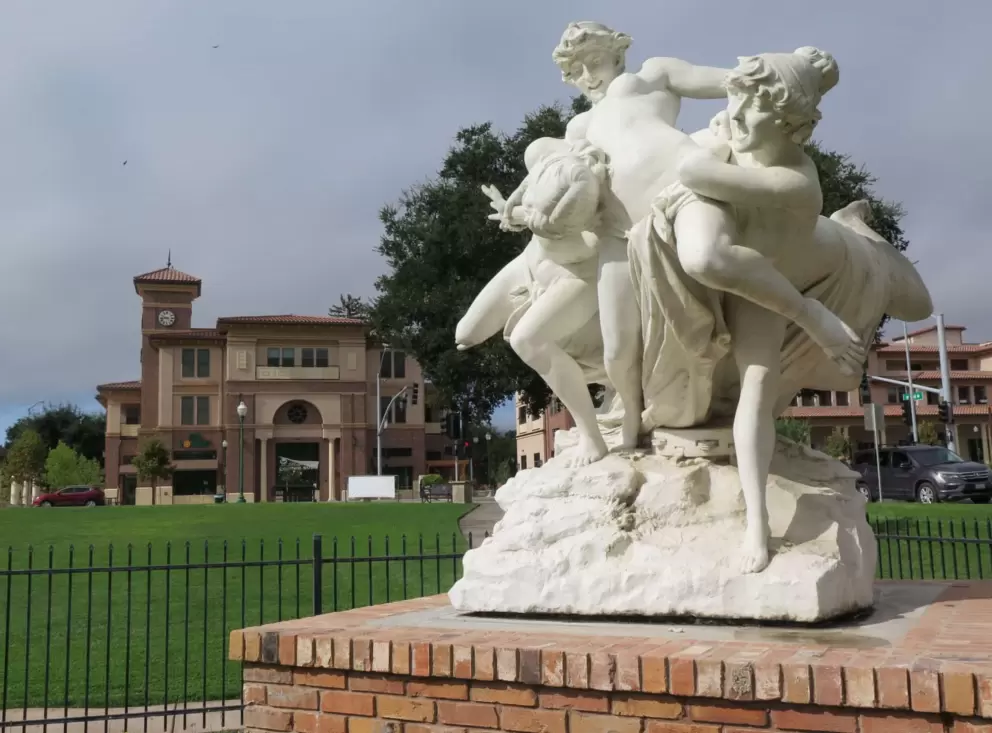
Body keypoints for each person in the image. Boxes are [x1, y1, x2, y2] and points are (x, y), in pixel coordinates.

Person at [553, 24, 865, 445]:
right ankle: (630, 412)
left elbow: (740, 83)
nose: (588, 76)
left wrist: (800, 70)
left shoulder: (651, 77)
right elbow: (566, 188)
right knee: (617, 349)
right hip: (619, 232)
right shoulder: (577, 129)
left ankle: (807, 314)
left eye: (593, 62)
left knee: (708, 257)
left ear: (617, 52)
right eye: (576, 72)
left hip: (687, 192)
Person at [455, 138, 612, 466]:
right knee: (465, 333)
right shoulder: (546, 157)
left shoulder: (592, 216)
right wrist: (509, 210)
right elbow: (532, 206)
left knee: (527, 340)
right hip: (529, 263)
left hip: (575, 279)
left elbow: (555, 224)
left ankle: (592, 437)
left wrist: (522, 215)